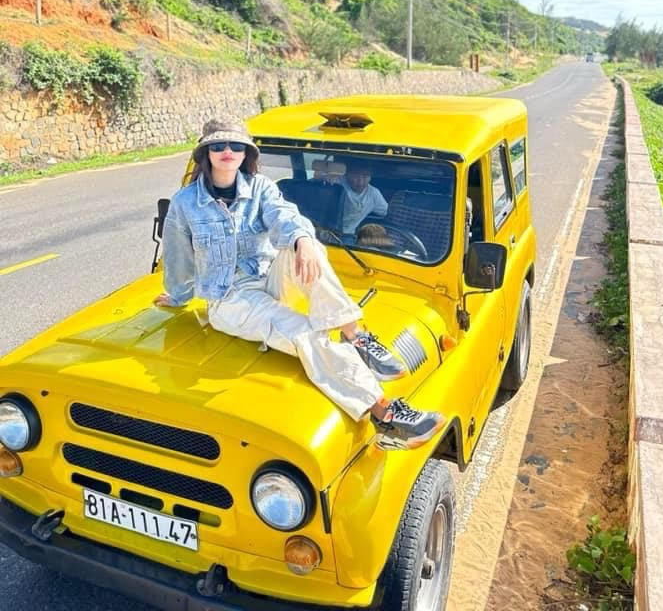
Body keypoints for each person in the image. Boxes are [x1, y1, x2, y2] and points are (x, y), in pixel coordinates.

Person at [154, 117, 445, 451]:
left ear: (245, 152)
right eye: (218, 145)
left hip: (269, 279)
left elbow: (284, 216)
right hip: (231, 298)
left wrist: (302, 240)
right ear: (206, 152)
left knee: (310, 246)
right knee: (306, 333)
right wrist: (177, 296)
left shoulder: (260, 187)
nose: (227, 151)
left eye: (235, 145)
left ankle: (356, 336)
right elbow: (177, 254)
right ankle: (384, 413)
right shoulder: (185, 202)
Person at [340, 158, 388, 234]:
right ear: (347, 175)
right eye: (356, 176)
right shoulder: (337, 184)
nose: (360, 181)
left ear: (370, 177)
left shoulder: (373, 193)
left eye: (365, 176)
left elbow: (387, 213)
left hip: (346, 236)